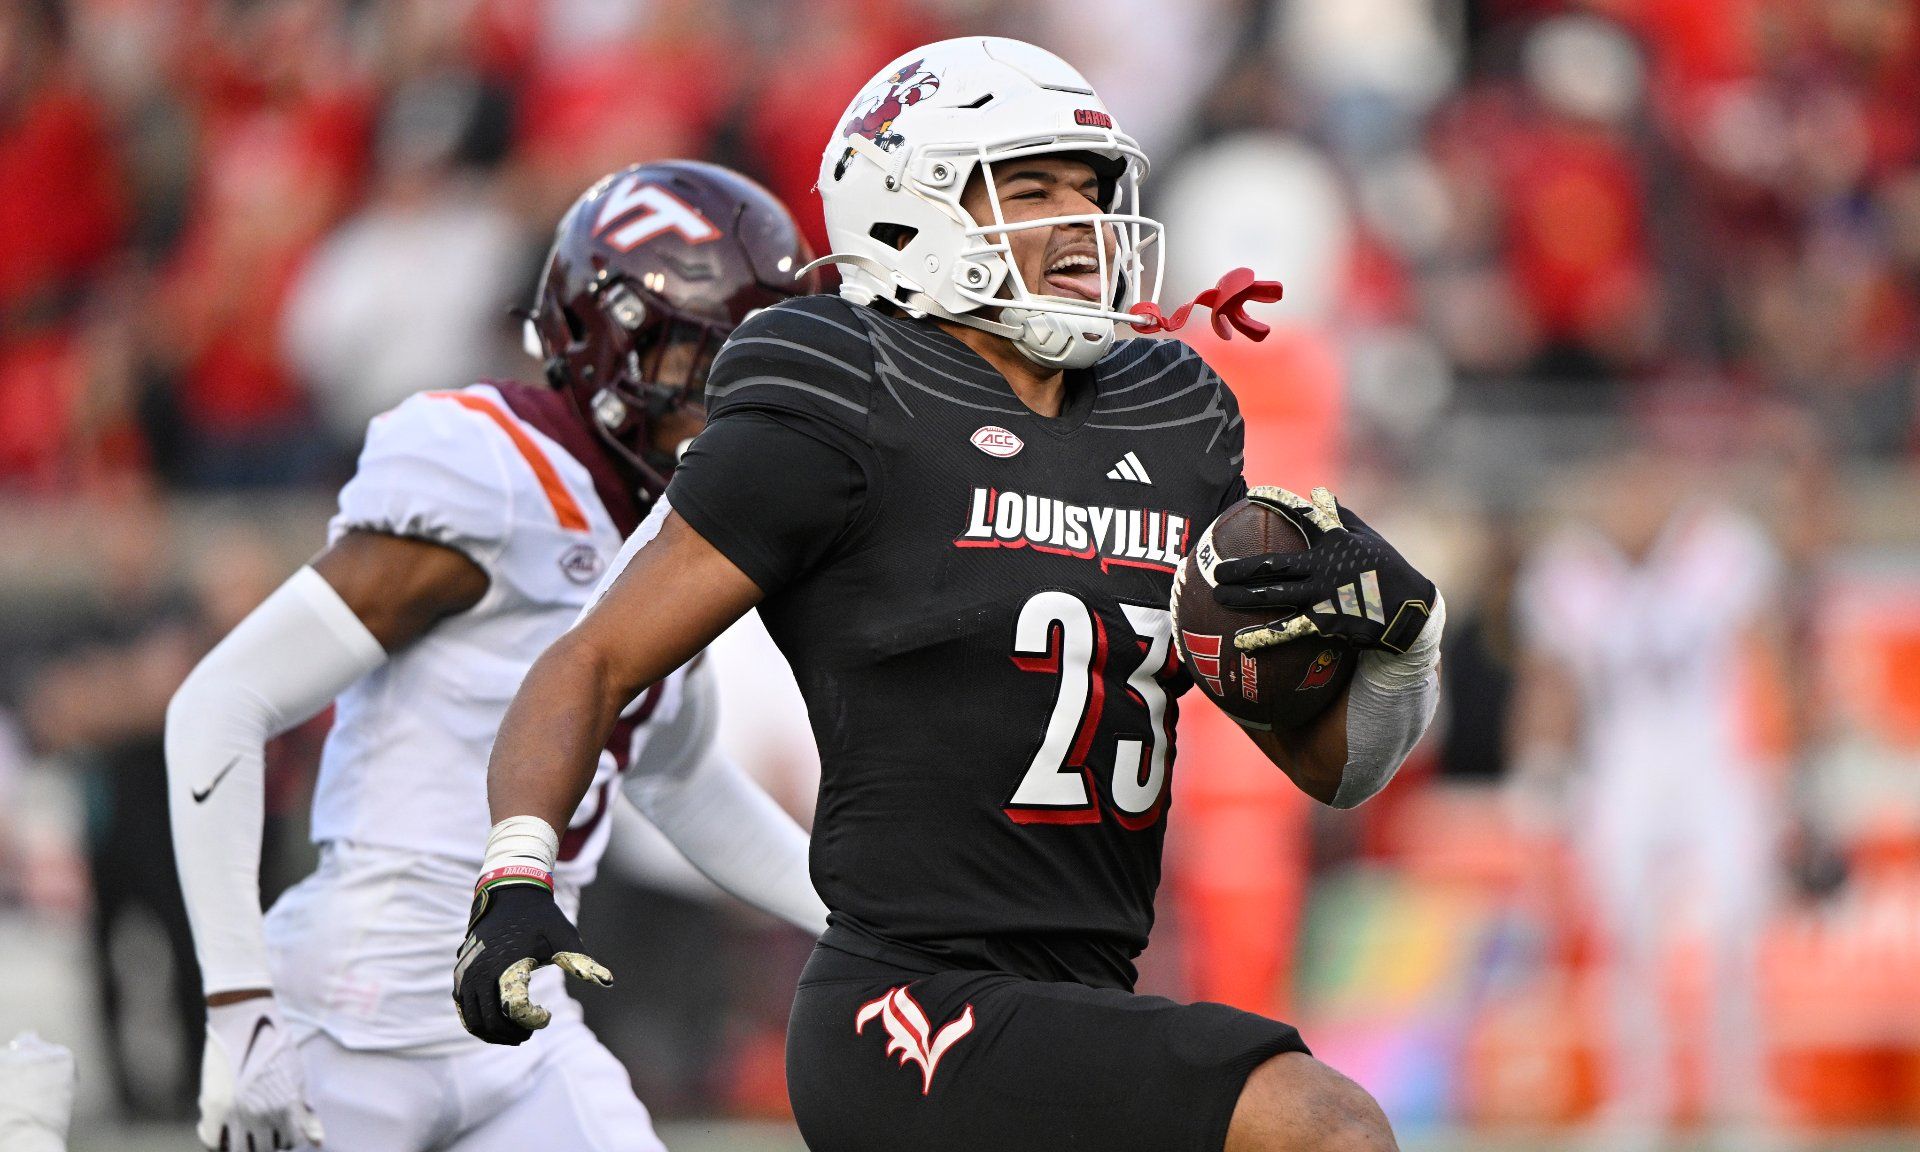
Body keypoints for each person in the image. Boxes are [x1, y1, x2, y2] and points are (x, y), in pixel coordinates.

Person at [456, 39, 1445, 1152]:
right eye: (1032, 189)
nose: (1081, 220)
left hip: (1078, 1001)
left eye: (1091, 189)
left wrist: (1402, 654)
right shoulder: (846, 387)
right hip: (909, 1007)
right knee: (1322, 1122)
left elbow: (1333, 769)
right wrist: (517, 875)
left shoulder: (1174, 413)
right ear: (905, 211)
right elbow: (593, 658)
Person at [166, 160, 826, 1152]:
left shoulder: (669, 524)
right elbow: (221, 703)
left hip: (521, 1024)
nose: (724, 407)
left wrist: (863, 925)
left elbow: (678, 779)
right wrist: (238, 1006)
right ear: (610, 343)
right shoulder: (499, 476)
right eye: (703, 366)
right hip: (349, 1020)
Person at [1510, 442, 1782, 1134]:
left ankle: (1740, 1094)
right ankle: (1637, 1098)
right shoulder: (1570, 573)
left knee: (1735, 931)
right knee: (1622, 934)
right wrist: (1539, 766)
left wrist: (1784, 758)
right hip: (1621, 770)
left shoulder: (1720, 552)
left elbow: (1766, 652)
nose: (1634, 508)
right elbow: (1550, 679)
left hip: (1715, 764)